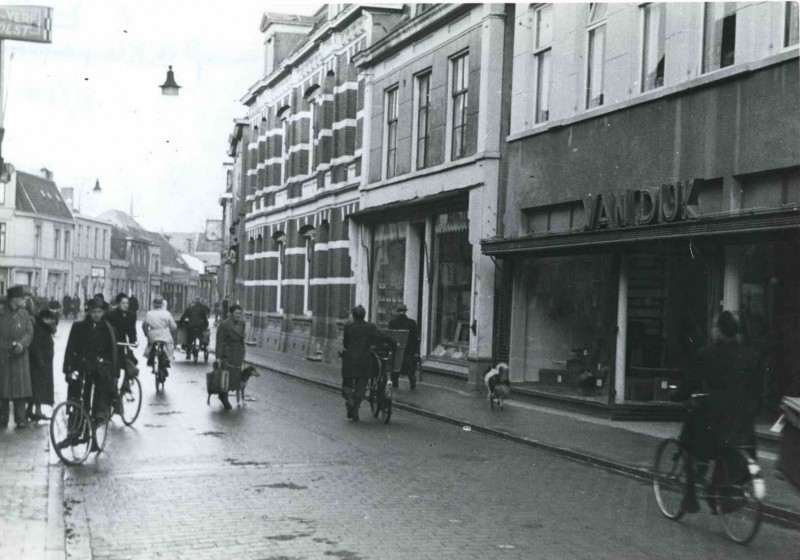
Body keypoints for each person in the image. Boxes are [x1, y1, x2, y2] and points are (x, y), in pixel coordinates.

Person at [671, 311, 761, 514]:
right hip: (740, 422)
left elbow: (691, 383)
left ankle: (690, 496)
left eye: (714, 326)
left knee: (687, 441)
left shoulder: (707, 354)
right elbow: (757, 390)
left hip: (713, 419)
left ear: (720, 330)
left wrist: (676, 396)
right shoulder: (751, 355)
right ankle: (717, 486)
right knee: (727, 448)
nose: (712, 330)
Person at [62, 298, 118, 434]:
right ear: (88, 313)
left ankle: (99, 413)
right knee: (76, 390)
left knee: (102, 384)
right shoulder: (78, 327)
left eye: (99, 312)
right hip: (81, 365)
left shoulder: (108, 329)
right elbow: (70, 348)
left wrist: (114, 371)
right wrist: (67, 369)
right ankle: (75, 423)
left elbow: (113, 351)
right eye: (93, 312)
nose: (96, 315)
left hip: (99, 366)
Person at [341, 305, 396, 422]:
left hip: (350, 359)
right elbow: (382, 336)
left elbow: (345, 344)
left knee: (347, 383)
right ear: (364, 315)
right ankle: (355, 409)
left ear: (353, 315)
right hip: (365, 360)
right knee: (362, 383)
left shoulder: (348, 327)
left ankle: (350, 399)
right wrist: (394, 342)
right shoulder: (370, 327)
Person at [0, 286, 34, 429]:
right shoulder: (1, 313)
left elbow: (29, 332)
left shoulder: (25, 314)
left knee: (20, 389)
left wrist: (22, 345)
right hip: (4, 356)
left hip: (20, 356)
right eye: (22, 298)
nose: (24, 301)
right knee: (3, 389)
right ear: (15, 299)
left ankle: (21, 418)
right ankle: (2, 418)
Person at [27, 309, 57, 422]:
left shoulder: (43, 327)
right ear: (44, 318)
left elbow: (54, 330)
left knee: (37, 387)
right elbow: (35, 345)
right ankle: (37, 411)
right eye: (50, 319)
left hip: (44, 362)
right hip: (39, 363)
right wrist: (39, 360)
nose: (51, 321)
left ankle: (29, 410)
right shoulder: (38, 328)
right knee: (37, 387)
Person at [214, 304, 245, 410]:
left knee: (235, 376)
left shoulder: (242, 324)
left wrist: (243, 352)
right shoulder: (224, 324)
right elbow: (220, 341)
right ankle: (224, 398)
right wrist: (218, 357)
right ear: (231, 313)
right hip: (227, 354)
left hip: (237, 353)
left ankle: (232, 397)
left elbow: (242, 340)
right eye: (236, 313)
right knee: (226, 376)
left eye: (240, 313)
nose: (238, 315)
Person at [388, 303, 420, 390]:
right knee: (410, 367)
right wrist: (416, 351)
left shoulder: (392, 322)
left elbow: (390, 336)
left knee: (395, 367)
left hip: (397, 348)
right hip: (409, 349)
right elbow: (415, 338)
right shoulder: (412, 322)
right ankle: (412, 383)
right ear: (405, 311)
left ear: (397, 311)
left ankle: (395, 383)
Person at [142, 297, 177, 369]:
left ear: (153, 304)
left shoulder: (149, 313)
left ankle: (150, 359)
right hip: (165, 334)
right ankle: (169, 358)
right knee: (170, 345)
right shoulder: (167, 313)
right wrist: (173, 337)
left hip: (153, 334)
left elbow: (144, 326)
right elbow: (173, 327)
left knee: (150, 346)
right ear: (162, 304)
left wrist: (147, 334)